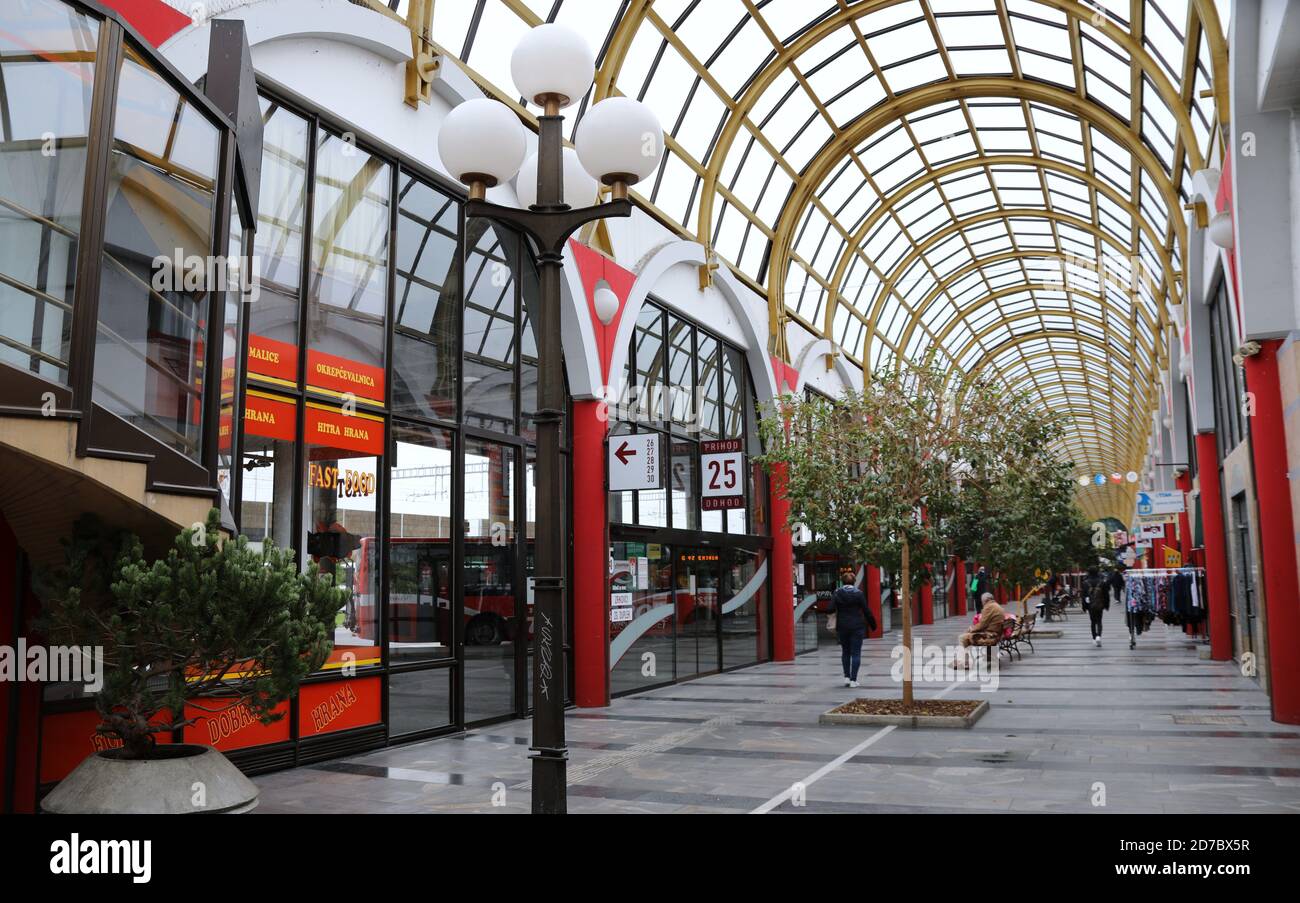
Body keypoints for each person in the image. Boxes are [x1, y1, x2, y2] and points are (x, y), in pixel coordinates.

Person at [829, 568, 875, 688]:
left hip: (842, 626)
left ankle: (846, 677)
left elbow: (830, 608)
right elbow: (866, 611)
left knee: (845, 652)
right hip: (856, 626)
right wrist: (873, 624)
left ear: (842, 581)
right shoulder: (858, 594)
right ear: (854, 582)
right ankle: (854, 680)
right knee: (856, 653)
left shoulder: (837, 593)